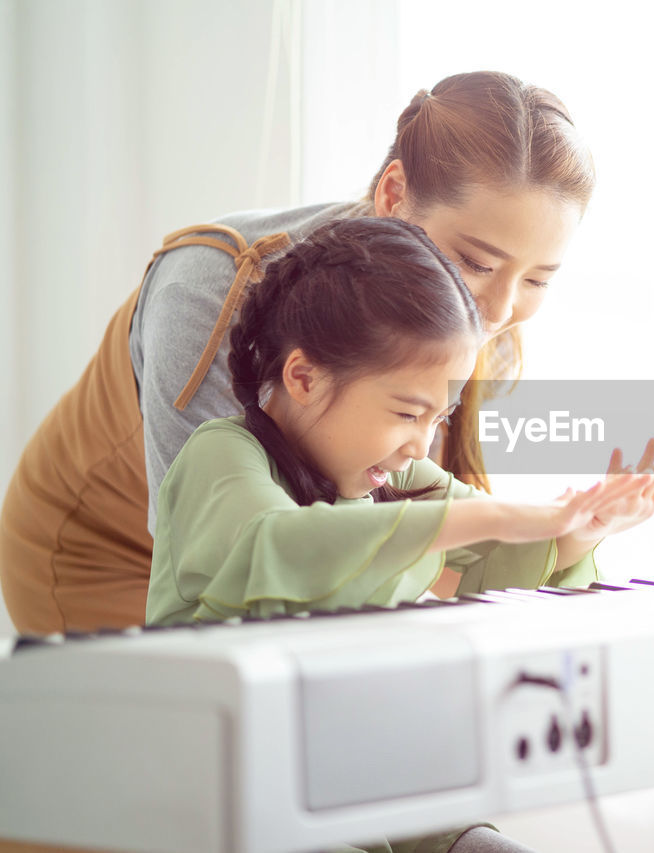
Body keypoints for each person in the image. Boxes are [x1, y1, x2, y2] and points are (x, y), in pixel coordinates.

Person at [1, 71, 605, 634]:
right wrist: (479, 531)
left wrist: (566, 537)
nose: (498, 312)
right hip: (121, 561)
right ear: (394, 194)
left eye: (537, 280)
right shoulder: (211, 290)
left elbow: (398, 515)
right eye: (476, 262)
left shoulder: (476, 318)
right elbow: (230, 556)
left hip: (304, 565)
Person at [147, 217, 654, 853]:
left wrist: (575, 535)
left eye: (439, 417)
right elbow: (278, 552)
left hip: (367, 781)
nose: (420, 444)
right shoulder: (222, 455)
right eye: (406, 413)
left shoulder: (390, 473)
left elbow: (485, 547)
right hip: (236, 800)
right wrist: (492, 515)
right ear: (304, 377)